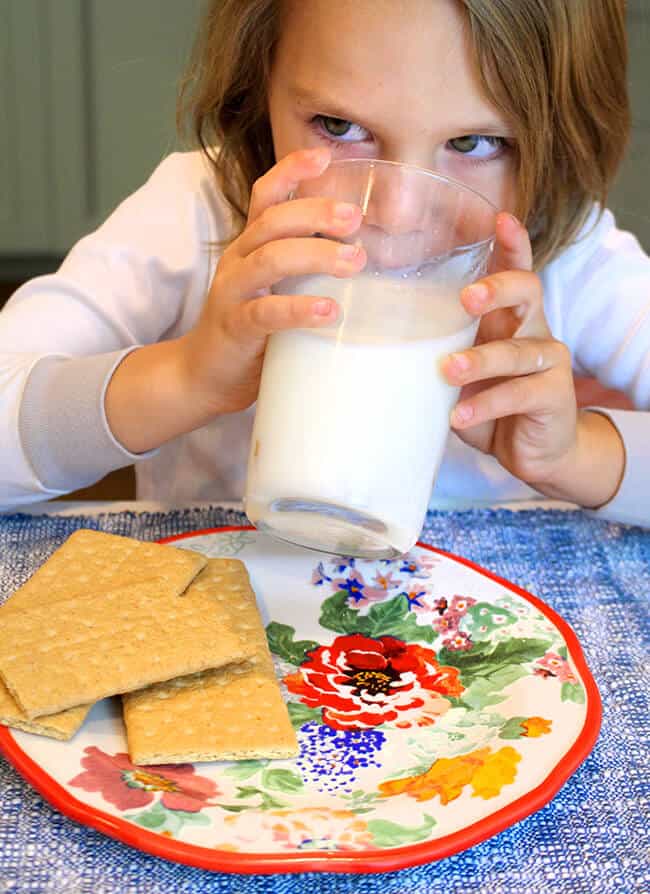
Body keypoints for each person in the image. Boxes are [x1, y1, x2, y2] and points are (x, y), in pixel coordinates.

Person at [0, 0, 648, 525]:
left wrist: (576, 454)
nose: (395, 213)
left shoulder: (567, 253)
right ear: (259, 86)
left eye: (473, 142)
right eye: (338, 126)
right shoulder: (198, 213)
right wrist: (185, 378)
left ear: (563, 135)